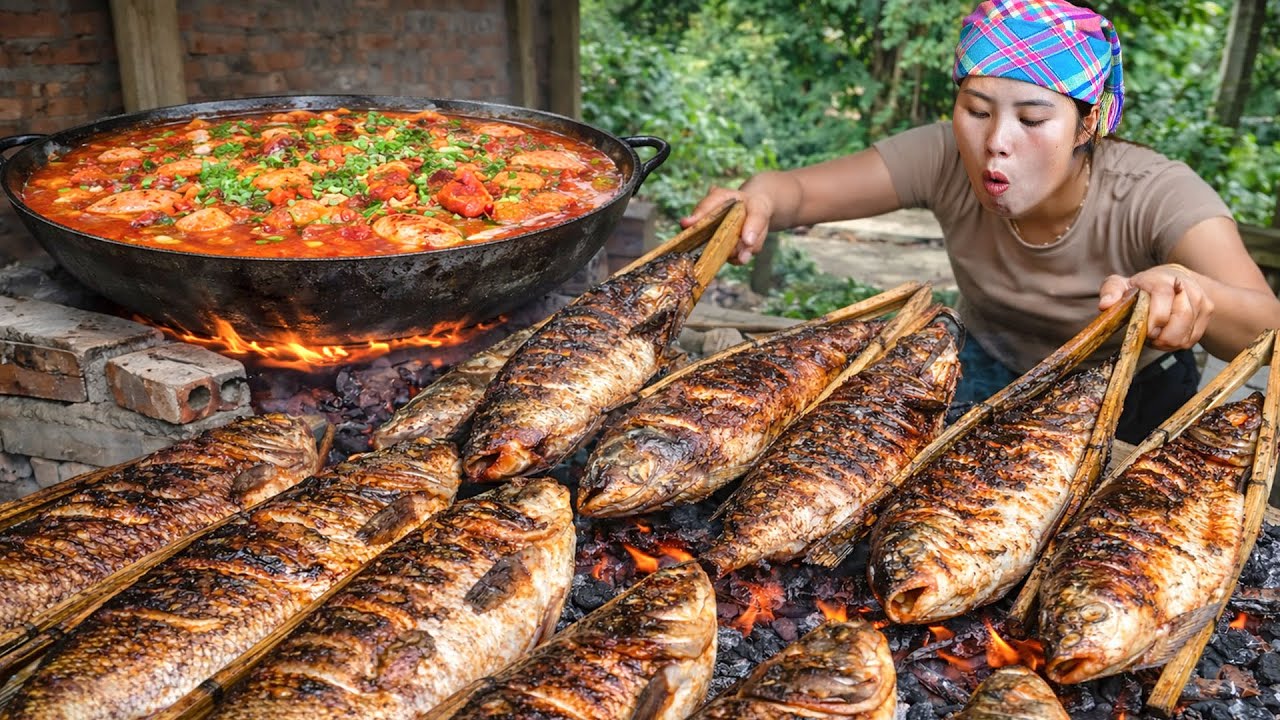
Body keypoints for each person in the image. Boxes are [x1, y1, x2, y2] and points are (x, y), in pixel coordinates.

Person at [682, 0, 1280, 443]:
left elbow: (1268, 328)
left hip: (1130, 391)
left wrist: (1192, 293)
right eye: (976, 110)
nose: (996, 143)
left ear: (1089, 122)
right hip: (986, 367)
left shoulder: (1155, 192)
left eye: (1032, 119)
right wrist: (756, 197)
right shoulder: (943, 156)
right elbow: (794, 192)